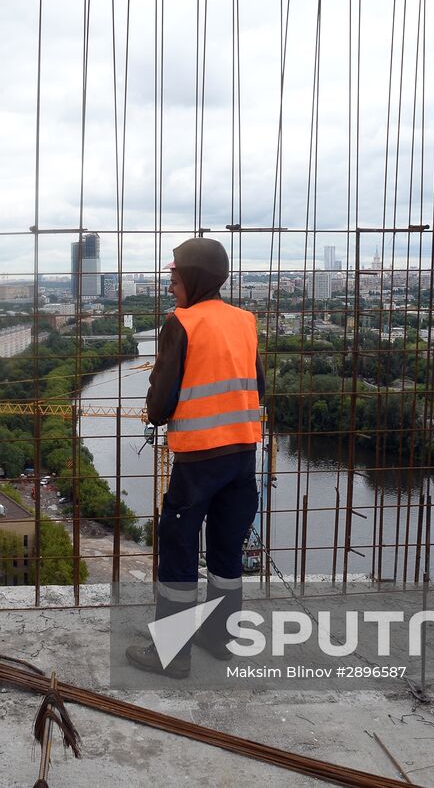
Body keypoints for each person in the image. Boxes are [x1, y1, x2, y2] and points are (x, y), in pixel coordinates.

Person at [126, 237, 265, 678]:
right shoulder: (245, 321)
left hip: (199, 461)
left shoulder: (181, 324)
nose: (170, 284)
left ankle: (172, 654)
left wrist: (156, 410)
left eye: (174, 276)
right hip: (242, 456)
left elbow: (161, 400)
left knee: (179, 552)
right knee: (226, 553)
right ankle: (218, 638)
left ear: (195, 278)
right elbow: (258, 385)